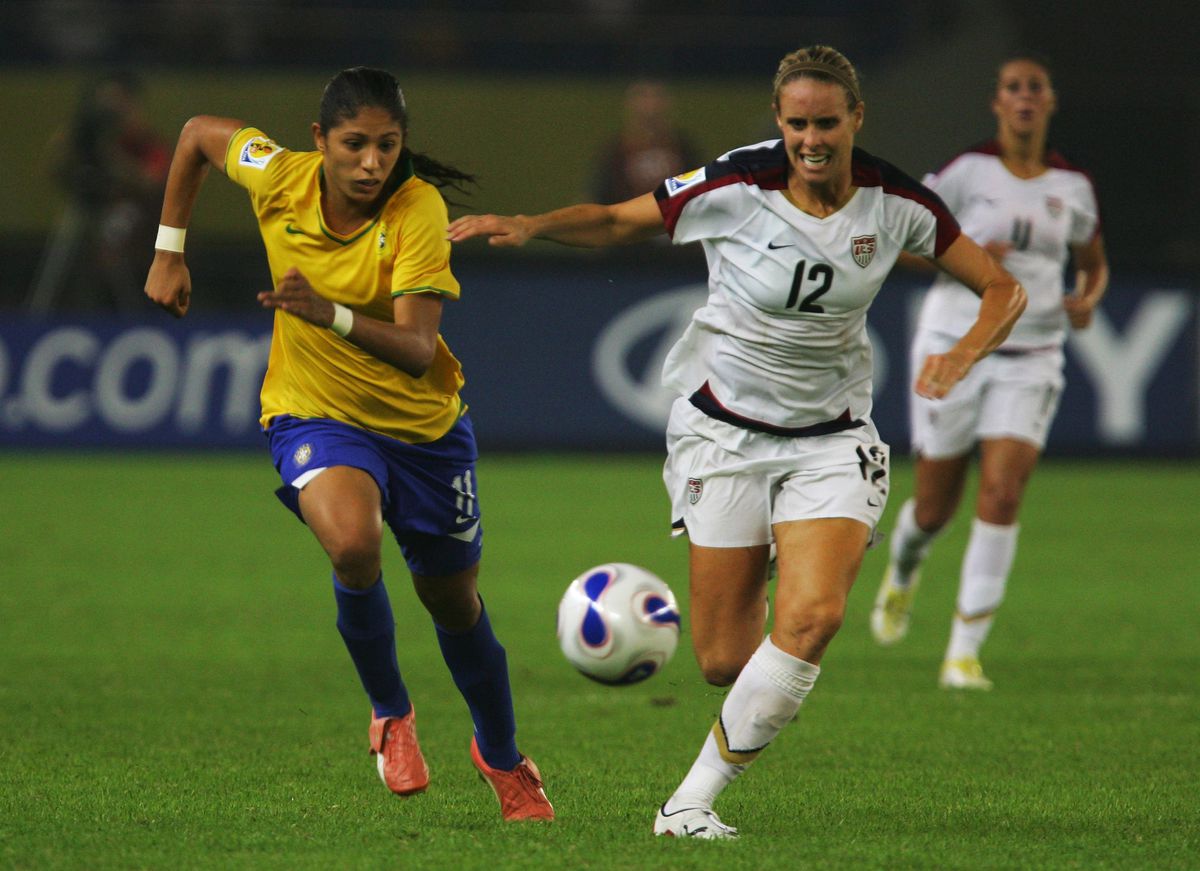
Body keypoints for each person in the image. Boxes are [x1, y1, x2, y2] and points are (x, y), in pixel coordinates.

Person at [447, 45, 1026, 838]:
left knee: (813, 618)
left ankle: (688, 803)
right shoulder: (734, 185)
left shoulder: (896, 202)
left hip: (831, 442)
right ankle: (782, 552)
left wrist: (962, 355)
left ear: (857, 118)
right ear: (779, 120)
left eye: (828, 122)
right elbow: (617, 220)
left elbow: (1002, 287)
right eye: (798, 124)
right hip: (724, 438)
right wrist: (532, 224)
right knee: (724, 660)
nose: (812, 139)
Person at [143, 67, 553, 821]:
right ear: (319, 140)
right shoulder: (280, 178)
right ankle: (391, 712)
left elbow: (418, 350)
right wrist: (169, 250)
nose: (371, 163)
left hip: (424, 433)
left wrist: (326, 312)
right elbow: (198, 134)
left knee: (453, 602)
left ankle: (500, 754)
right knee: (354, 544)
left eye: (387, 146)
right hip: (314, 413)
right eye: (354, 144)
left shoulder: (416, 209)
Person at [869, 56, 1108, 690]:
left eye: (1035, 87)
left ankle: (963, 653)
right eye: (1012, 88)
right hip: (956, 345)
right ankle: (903, 569)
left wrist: (1087, 297)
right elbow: (906, 241)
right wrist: (965, 259)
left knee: (1002, 494)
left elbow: (1093, 261)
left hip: (1033, 352)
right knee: (934, 508)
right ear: (997, 103)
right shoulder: (967, 172)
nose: (1024, 97)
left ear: (1049, 101)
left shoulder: (1073, 186)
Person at [28, 69, 171, 313]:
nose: (110, 116)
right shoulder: (86, 141)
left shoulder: (146, 143)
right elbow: (52, 170)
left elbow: (153, 183)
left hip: (138, 228)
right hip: (94, 213)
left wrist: (114, 159)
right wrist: (74, 139)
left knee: (114, 238)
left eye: (117, 107)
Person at [590, 79, 701, 205]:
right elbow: (600, 194)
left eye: (655, 98)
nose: (650, 106)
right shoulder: (618, 150)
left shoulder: (682, 148)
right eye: (644, 98)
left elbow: (698, 190)